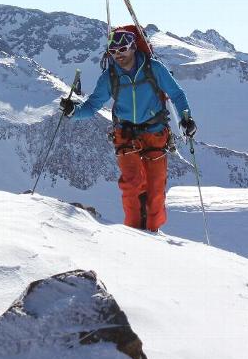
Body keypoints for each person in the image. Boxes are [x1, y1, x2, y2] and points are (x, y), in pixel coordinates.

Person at [60, 27, 196, 232]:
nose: (118, 55)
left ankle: (152, 231)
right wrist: (73, 111)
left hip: (155, 133)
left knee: (156, 190)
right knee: (131, 184)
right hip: (126, 135)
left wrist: (187, 119)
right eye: (113, 52)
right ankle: (133, 235)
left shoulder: (154, 68)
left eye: (122, 49)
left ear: (133, 47)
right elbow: (92, 106)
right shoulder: (110, 76)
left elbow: (176, 94)